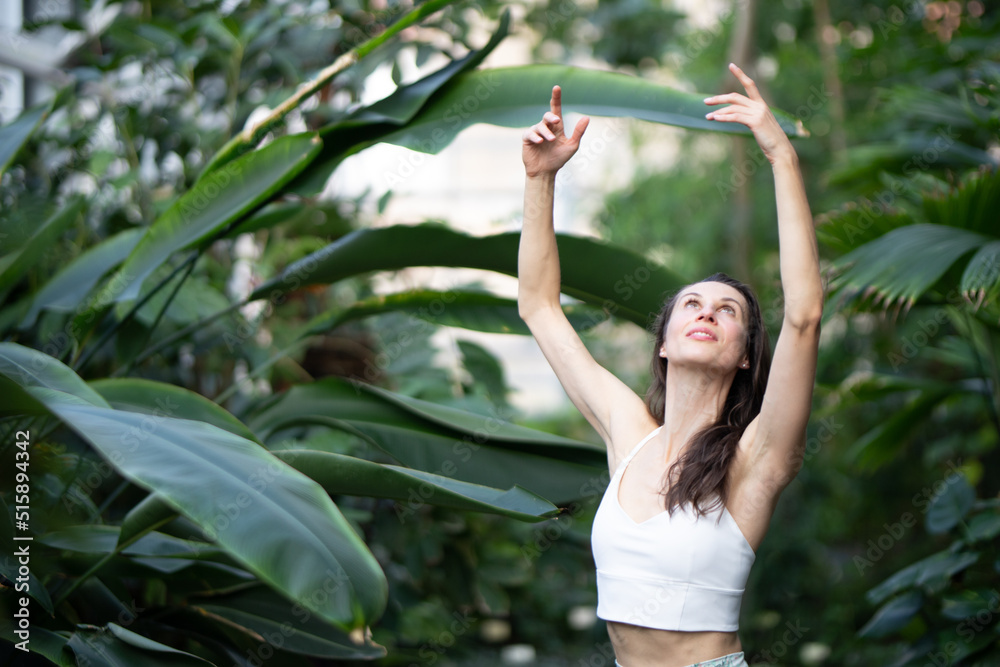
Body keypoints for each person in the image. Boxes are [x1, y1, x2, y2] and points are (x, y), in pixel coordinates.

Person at [517, 63, 822, 667]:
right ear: (663, 342)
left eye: (728, 310)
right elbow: (539, 306)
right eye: (691, 303)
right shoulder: (628, 434)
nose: (706, 312)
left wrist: (781, 158)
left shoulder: (753, 460)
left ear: (743, 356)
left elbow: (805, 315)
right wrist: (540, 179)